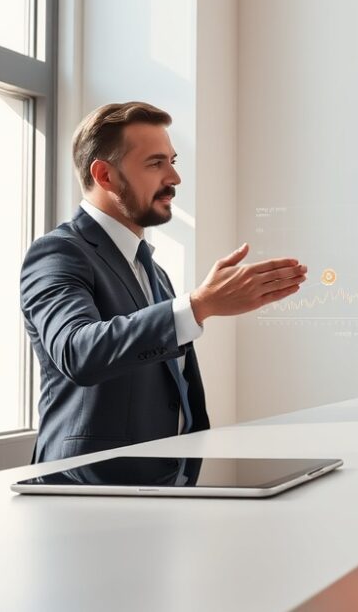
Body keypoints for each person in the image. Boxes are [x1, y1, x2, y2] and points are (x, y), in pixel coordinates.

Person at [21, 102, 307, 462]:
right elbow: (78, 352)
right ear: (105, 176)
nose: (174, 178)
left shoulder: (152, 270)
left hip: (164, 484)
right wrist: (199, 305)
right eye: (156, 163)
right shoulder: (58, 252)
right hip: (87, 489)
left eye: (172, 162)